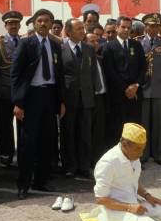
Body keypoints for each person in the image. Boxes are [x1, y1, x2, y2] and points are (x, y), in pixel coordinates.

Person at [11, 9, 65, 199]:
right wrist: (18, 103)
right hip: (31, 97)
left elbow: (59, 76)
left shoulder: (56, 45)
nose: (43, 24)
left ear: (51, 24)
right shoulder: (26, 44)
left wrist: (61, 102)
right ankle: (23, 185)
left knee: (47, 141)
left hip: (50, 96)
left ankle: (40, 181)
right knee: (27, 143)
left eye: (47, 21)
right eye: (40, 21)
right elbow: (15, 75)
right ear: (34, 23)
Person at [92, 123, 161, 221]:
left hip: (135, 204)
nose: (141, 153)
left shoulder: (133, 156)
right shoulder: (108, 163)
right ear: (124, 144)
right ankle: (104, 217)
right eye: (138, 149)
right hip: (113, 209)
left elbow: (133, 182)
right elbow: (100, 199)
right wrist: (129, 208)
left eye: (143, 149)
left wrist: (148, 196)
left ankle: (138, 219)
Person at [60, 18, 99, 178]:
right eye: (78, 29)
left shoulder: (89, 49)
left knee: (84, 134)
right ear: (68, 32)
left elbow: (93, 73)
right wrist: (60, 99)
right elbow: (59, 76)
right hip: (69, 99)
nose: (83, 31)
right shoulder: (60, 49)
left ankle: (84, 166)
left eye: (83, 28)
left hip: (86, 98)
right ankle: (69, 166)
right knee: (68, 133)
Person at [102, 16, 146, 144]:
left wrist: (136, 86)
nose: (126, 30)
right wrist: (126, 89)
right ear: (116, 27)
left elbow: (143, 68)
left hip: (135, 95)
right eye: (123, 27)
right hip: (118, 96)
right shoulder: (109, 47)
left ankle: (133, 159)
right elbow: (110, 72)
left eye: (129, 27)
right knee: (118, 130)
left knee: (134, 130)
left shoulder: (136, 45)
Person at [140, 13, 161, 166]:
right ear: (145, 26)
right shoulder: (139, 43)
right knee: (144, 123)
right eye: (150, 26)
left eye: (156, 26)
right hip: (144, 89)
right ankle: (143, 153)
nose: (153, 29)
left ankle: (158, 153)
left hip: (160, 88)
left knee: (159, 123)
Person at [0, 11, 22, 167]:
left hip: (22, 90)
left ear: (19, 25)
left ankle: (23, 154)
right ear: (5, 26)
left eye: (16, 23)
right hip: (4, 89)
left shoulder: (25, 41)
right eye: (10, 23)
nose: (13, 26)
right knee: (5, 125)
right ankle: (6, 155)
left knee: (23, 125)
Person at [86, 32, 109, 167]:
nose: (95, 44)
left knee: (99, 132)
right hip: (90, 99)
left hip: (101, 98)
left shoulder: (100, 58)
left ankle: (98, 160)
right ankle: (88, 160)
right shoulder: (83, 58)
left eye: (97, 41)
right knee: (88, 131)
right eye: (91, 41)